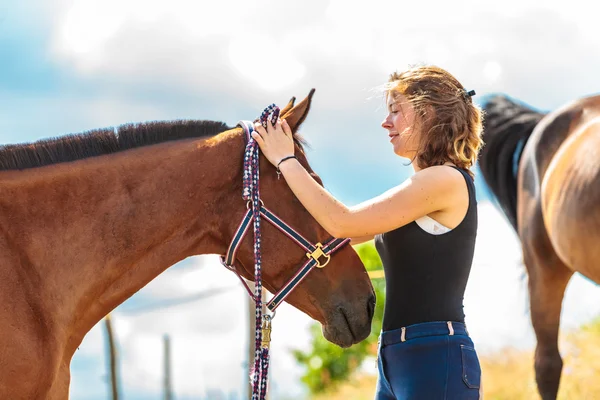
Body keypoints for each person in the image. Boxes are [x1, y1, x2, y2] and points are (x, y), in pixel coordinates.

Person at [252, 65, 484, 400]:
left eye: (395, 111)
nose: (385, 122)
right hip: (396, 358)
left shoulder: (445, 180)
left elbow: (343, 222)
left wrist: (285, 159)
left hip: (435, 355)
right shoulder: (420, 189)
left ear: (428, 112)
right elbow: (332, 236)